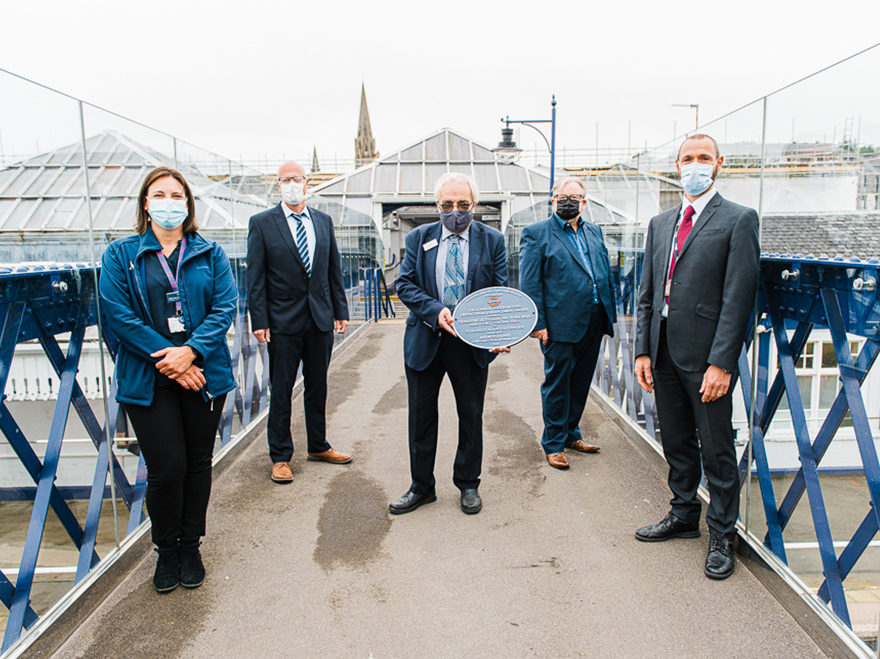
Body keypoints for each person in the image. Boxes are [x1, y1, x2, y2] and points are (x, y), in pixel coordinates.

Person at [99, 166, 237, 593]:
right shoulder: (120, 255)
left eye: (177, 196)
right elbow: (117, 315)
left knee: (197, 464)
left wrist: (191, 351)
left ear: (188, 204)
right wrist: (172, 358)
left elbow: (225, 307)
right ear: (145, 202)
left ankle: (191, 545)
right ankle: (167, 548)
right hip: (150, 377)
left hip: (202, 376)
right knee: (166, 468)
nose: (169, 202)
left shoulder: (210, 253)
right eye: (160, 195)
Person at [633, 134, 759, 580]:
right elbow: (647, 292)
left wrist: (723, 363)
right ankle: (684, 514)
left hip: (707, 358)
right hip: (664, 350)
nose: (695, 165)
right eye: (687, 158)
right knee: (677, 441)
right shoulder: (660, 222)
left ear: (719, 163)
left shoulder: (739, 220)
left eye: (703, 158)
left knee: (717, 448)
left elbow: (738, 296)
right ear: (677, 164)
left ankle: (723, 533)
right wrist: (643, 350)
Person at [389, 172, 509, 516]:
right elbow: (406, 285)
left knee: (470, 414)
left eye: (462, 204)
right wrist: (435, 310)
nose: (455, 211)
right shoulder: (418, 237)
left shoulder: (492, 241)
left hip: (470, 344)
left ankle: (468, 483)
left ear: (474, 205)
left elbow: (498, 294)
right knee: (421, 417)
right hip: (426, 337)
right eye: (447, 204)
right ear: (436, 205)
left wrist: (497, 334)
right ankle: (421, 486)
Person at [247, 161, 351, 484]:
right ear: (278, 185)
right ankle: (280, 456)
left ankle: (318, 445)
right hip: (281, 322)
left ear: (306, 183)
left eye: (297, 179)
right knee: (281, 390)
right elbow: (256, 277)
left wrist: (340, 310)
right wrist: (259, 319)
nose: (292, 184)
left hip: (319, 318)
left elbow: (334, 269)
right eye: (285, 180)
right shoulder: (262, 223)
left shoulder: (323, 221)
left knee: (317, 386)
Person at [519, 178, 617, 470]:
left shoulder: (595, 232)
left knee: (580, 382)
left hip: (594, 319)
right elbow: (531, 281)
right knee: (558, 384)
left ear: (584, 202)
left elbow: (602, 272)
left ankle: (572, 434)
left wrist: (608, 313)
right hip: (559, 323)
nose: (567, 201)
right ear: (553, 200)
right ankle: (553, 443)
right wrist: (538, 321)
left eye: (574, 197)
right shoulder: (536, 234)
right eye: (562, 196)